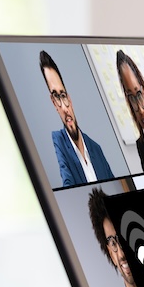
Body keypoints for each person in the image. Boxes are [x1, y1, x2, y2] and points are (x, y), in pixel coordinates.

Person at [40, 51, 115, 187]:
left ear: (69, 98)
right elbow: (67, 180)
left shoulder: (96, 149)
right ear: (53, 103)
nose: (64, 108)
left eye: (62, 95)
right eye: (56, 97)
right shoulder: (59, 140)